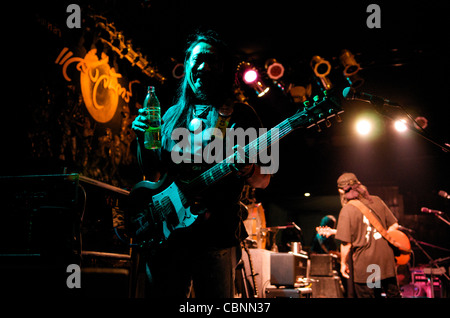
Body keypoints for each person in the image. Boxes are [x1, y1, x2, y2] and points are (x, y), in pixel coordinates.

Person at [131, 29, 271, 298]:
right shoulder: (171, 114)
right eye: (198, 60)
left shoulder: (242, 114)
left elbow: (264, 179)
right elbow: (152, 172)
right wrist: (141, 139)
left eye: (213, 61)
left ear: (223, 69)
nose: (205, 67)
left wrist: (248, 169)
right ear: (187, 65)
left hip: (216, 238)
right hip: (168, 237)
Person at [334, 172, 401, 298]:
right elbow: (394, 225)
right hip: (386, 261)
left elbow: (346, 244)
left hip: (368, 266)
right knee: (393, 295)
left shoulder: (347, 210)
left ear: (341, 191)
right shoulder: (376, 200)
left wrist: (343, 264)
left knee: (370, 295)